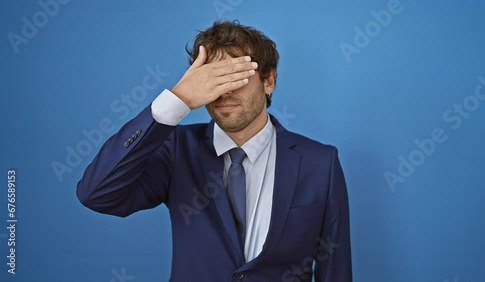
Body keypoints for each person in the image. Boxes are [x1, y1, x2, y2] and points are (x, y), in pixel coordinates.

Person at [77, 20, 352, 282]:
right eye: (213, 79)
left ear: (268, 80)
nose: (224, 92)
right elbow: (97, 194)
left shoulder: (321, 163)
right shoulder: (177, 150)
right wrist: (177, 100)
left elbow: (335, 270)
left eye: (236, 76)